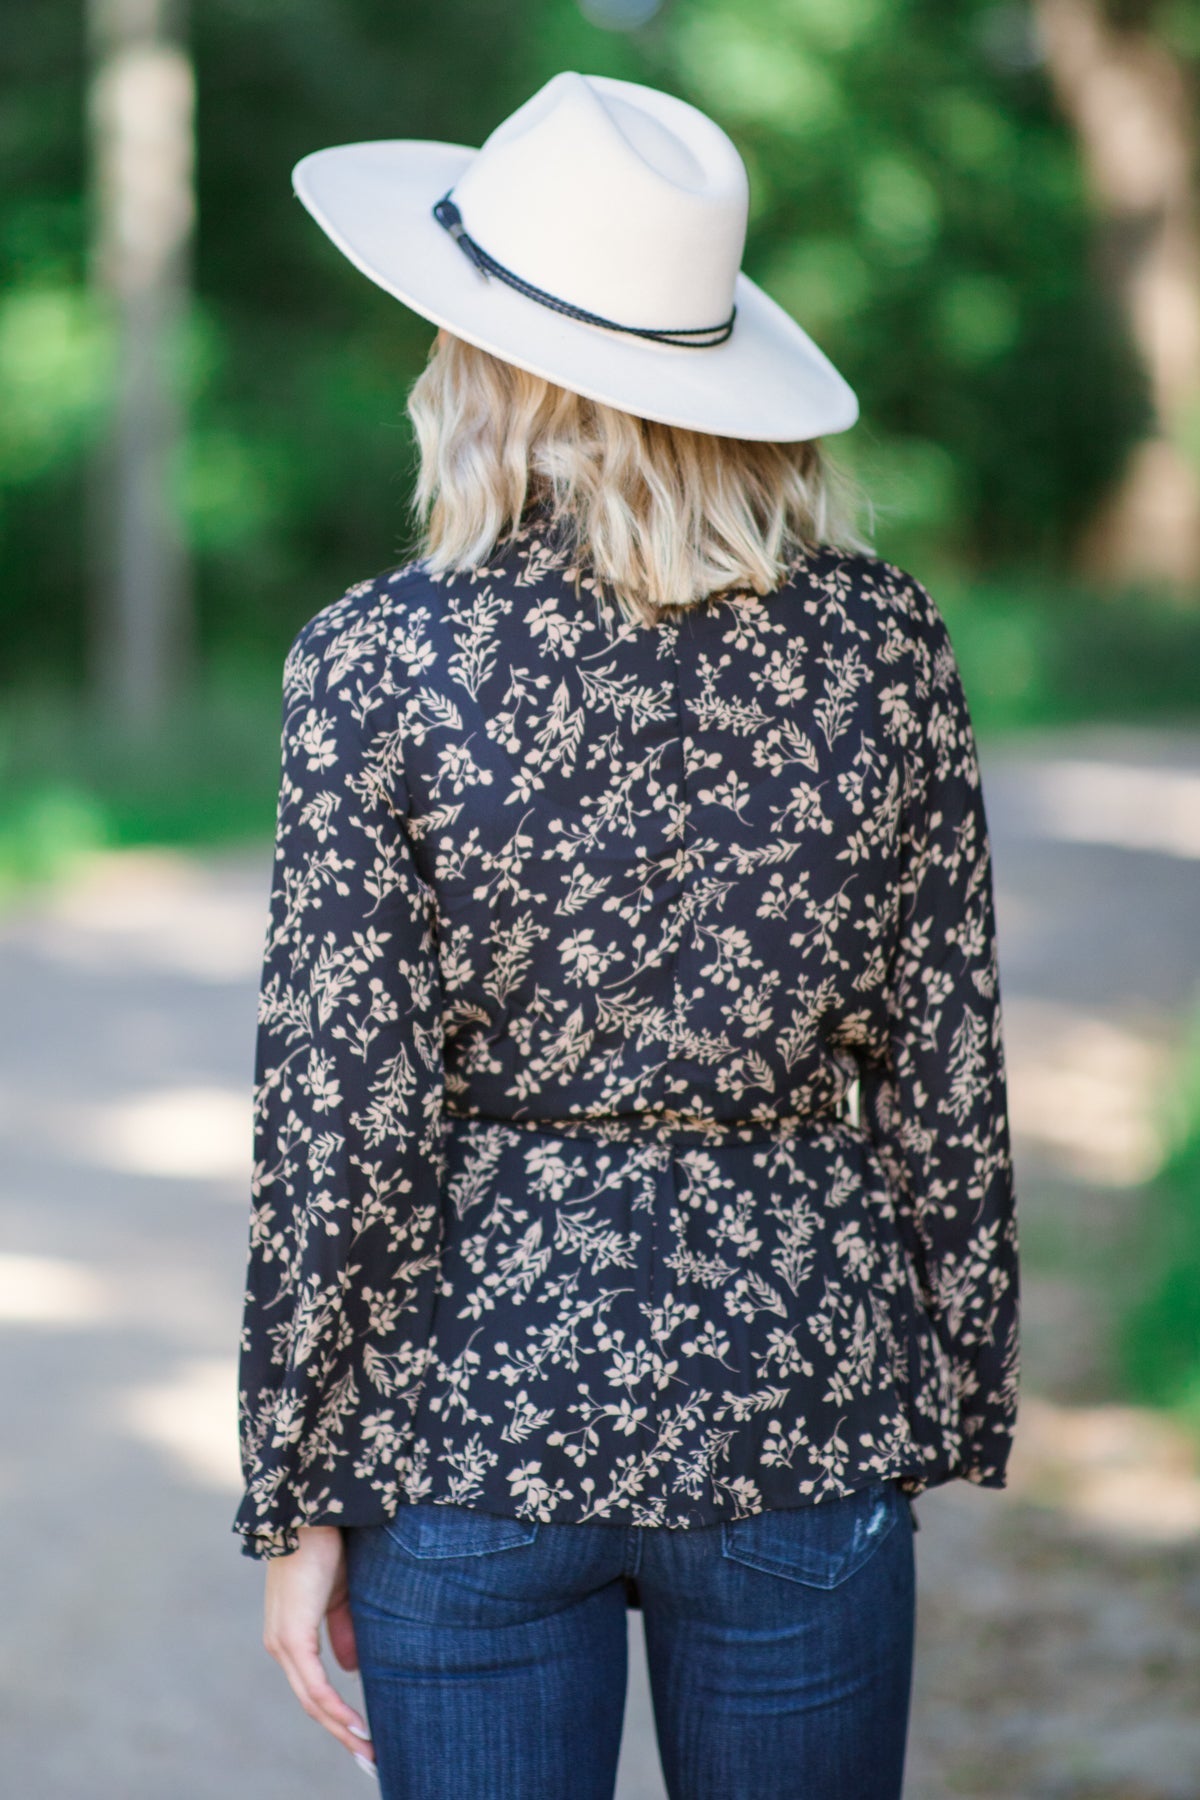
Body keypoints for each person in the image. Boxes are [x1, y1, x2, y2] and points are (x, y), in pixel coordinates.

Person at [235, 70, 1020, 1800]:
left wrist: (293, 1489)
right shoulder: (885, 645)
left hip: (471, 1414)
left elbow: (339, 1114)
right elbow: (943, 1056)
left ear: (487, 361)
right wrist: (961, 1381)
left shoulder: (376, 659)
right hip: (796, 1402)